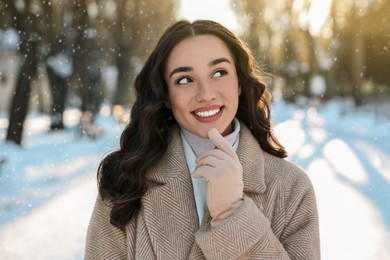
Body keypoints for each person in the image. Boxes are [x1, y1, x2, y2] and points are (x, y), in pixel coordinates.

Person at [85, 19, 320, 259]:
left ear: (239, 82)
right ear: (165, 95)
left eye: (219, 72)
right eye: (184, 79)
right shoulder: (126, 180)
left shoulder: (292, 187)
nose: (206, 94)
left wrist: (232, 215)